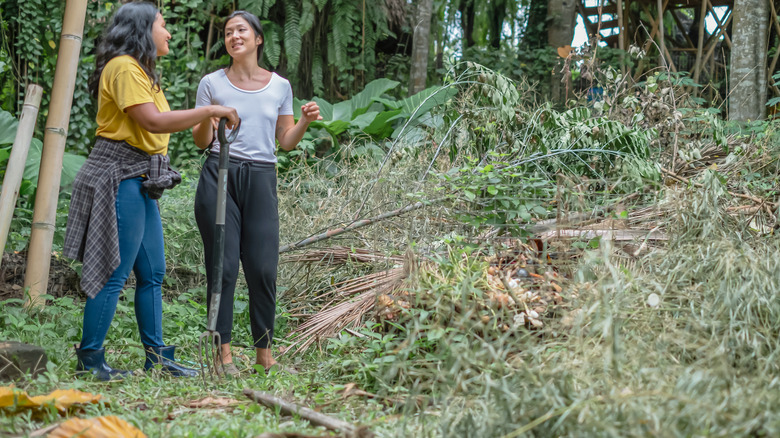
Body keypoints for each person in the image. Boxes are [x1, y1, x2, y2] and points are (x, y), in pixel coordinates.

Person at [63, 1, 239, 381]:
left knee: (153, 272)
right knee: (114, 272)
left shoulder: (141, 71)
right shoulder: (124, 66)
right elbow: (153, 122)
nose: (169, 32)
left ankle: (157, 356)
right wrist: (211, 111)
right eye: (163, 24)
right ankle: (90, 359)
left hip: (142, 175)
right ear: (143, 28)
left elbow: (156, 125)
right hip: (120, 173)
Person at [192, 10, 321, 376]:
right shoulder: (211, 83)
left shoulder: (279, 86)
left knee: (263, 268)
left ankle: (265, 355)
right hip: (220, 176)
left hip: (262, 177)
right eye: (229, 32)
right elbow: (201, 141)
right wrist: (208, 117)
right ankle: (223, 357)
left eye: (241, 30)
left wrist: (306, 121)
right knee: (225, 267)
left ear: (258, 39)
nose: (234, 36)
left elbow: (286, 141)